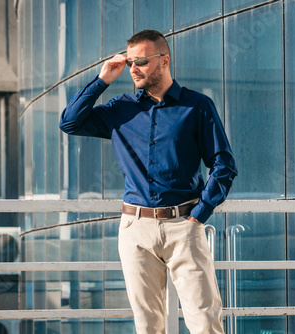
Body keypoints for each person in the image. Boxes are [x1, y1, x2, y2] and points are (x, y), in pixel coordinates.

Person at [59, 29, 237, 334]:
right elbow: (70, 122)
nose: (133, 69)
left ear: (164, 60)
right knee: (147, 326)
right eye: (129, 63)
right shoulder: (120, 109)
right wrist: (102, 79)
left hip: (186, 225)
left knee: (205, 321)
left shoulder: (198, 106)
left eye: (140, 61)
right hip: (136, 229)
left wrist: (200, 214)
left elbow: (223, 164)